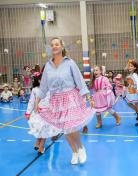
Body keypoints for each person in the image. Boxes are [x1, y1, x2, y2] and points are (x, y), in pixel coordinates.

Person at [35, 37, 95, 165]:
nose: (54, 46)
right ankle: (74, 152)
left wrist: (89, 97)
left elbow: (79, 81)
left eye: (57, 44)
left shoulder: (69, 63)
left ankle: (80, 148)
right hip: (56, 100)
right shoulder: (48, 66)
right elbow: (44, 86)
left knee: (71, 127)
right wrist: (37, 102)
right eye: (52, 45)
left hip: (71, 98)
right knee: (66, 129)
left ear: (62, 47)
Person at [25, 73, 61, 154]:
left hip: (47, 113)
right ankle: (38, 141)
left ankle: (41, 146)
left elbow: (53, 101)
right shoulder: (35, 90)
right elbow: (31, 102)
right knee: (39, 128)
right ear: (38, 80)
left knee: (45, 129)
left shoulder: (50, 90)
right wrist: (28, 112)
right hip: (38, 113)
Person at [123, 59, 138, 126]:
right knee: (129, 103)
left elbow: (137, 83)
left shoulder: (134, 74)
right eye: (129, 66)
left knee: (137, 105)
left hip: (135, 91)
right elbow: (125, 69)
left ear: (135, 68)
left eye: (131, 66)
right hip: (131, 90)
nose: (129, 67)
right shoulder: (130, 73)